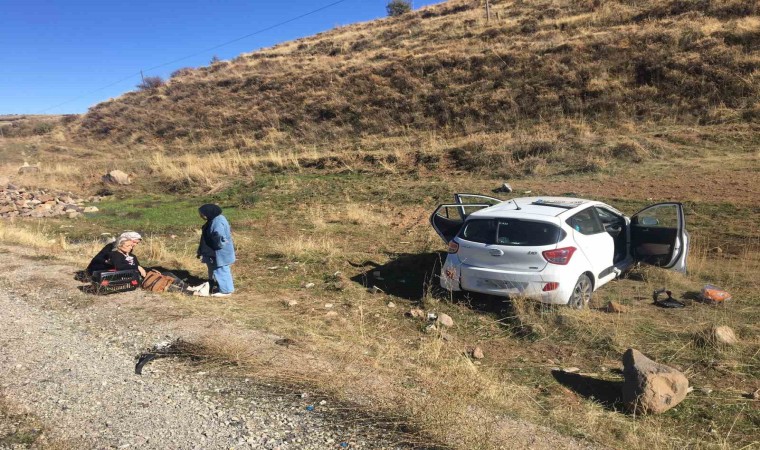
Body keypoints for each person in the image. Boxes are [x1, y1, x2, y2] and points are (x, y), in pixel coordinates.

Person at [197, 204, 236, 297]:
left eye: (202, 214)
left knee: (221, 269)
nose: (201, 216)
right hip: (216, 251)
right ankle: (219, 286)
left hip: (220, 252)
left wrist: (217, 246)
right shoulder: (214, 219)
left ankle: (226, 291)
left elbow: (220, 237)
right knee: (216, 269)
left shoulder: (218, 222)